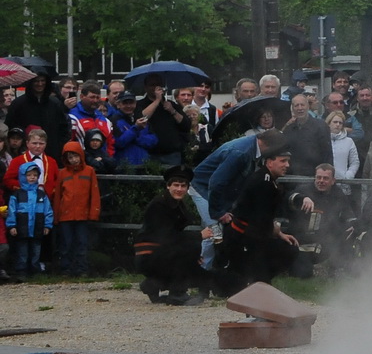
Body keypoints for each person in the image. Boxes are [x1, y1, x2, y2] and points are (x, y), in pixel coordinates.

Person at [224, 141, 299, 288]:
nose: (287, 165)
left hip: (257, 236)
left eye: (288, 161)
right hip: (245, 238)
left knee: (289, 249)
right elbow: (260, 219)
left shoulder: (268, 179)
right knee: (257, 283)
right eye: (283, 161)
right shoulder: (263, 182)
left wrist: (279, 233)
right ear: (269, 162)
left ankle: (255, 280)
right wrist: (275, 230)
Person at [135, 165, 212, 304]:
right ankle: (177, 293)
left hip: (159, 251)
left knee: (193, 253)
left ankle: (152, 284)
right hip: (149, 253)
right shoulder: (158, 205)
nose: (179, 189)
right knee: (191, 248)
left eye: (183, 186)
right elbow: (166, 237)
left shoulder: (176, 204)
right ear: (168, 186)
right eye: (176, 185)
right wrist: (199, 236)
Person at [293, 162, 357, 275]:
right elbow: (289, 198)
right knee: (303, 273)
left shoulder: (338, 194)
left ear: (333, 181)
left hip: (328, 240)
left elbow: (348, 214)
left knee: (349, 235)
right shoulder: (304, 190)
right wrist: (302, 198)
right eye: (318, 177)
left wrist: (352, 225)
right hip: (304, 240)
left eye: (325, 178)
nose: (321, 181)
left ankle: (339, 268)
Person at [52, 142, 102, 276]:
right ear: (66, 159)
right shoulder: (62, 173)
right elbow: (58, 196)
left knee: (82, 243)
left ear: (81, 155)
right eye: (70, 157)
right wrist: (56, 216)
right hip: (65, 214)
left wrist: (94, 213)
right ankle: (66, 269)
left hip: (82, 214)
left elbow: (94, 194)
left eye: (76, 156)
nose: (73, 160)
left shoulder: (89, 171)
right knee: (66, 243)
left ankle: (82, 269)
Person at [6, 160, 53, 276]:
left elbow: (48, 211)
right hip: (22, 228)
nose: (32, 177)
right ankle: (21, 271)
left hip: (37, 228)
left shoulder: (41, 194)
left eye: (35, 175)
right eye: (29, 175)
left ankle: (35, 270)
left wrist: (47, 225)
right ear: (22, 176)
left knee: (36, 251)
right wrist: (12, 226)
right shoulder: (17, 194)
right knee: (22, 251)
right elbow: (12, 211)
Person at [5, 75, 70, 147]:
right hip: (25, 148)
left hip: (51, 147)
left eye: (42, 81)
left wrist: (59, 145)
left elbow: (63, 127)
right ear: (31, 82)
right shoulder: (18, 103)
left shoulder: (55, 103)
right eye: (36, 81)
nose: (40, 84)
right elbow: (11, 126)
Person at [280, 92, 327, 178]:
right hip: (292, 176)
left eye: (302, 105)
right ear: (292, 108)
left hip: (314, 176)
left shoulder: (321, 126)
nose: (300, 108)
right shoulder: (288, 129)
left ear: (308, 106)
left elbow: (327, 154)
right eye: (296, 105)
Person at [106, 92, 159, 165]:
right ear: (118, 105)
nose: (128, 106)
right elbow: (119, 143)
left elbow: (153, 141)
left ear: (135, 103)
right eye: (125, 103)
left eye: (131, 103)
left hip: (144, 164)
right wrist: (135, 128)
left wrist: (135, 138)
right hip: (124, 166)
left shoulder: (142, 119)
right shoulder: (114, 120)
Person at [5, 128, 59, 195]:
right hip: (25, 197)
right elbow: (8, 179)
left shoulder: (51, 161)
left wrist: (51, 189)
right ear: (27, 143)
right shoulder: (17, 161)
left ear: (46, 144)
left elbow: (58, 180)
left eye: (41, 143)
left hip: (47, 197)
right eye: (34, 143)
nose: (38, 146)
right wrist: (24, 185)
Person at [325, 111, 361, 181]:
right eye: (335, 122)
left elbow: (354, 162)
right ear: (329, 123)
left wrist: (348, 176)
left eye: (340, 123)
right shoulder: (322, 140)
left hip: (343, 181)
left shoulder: (349, 141)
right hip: (324, 180)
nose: (337, 124)